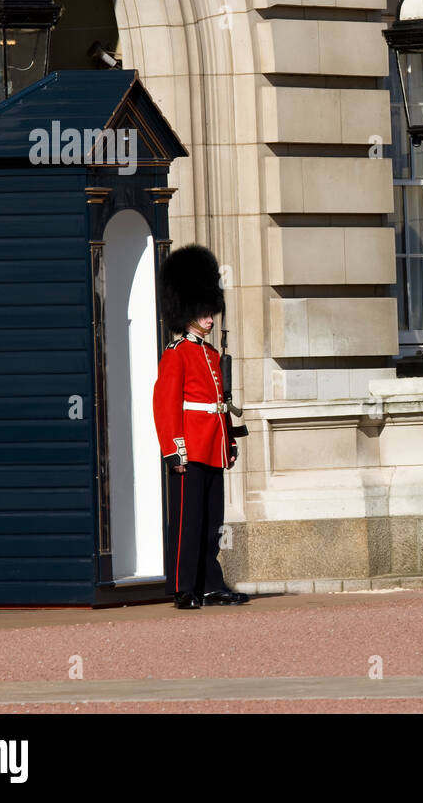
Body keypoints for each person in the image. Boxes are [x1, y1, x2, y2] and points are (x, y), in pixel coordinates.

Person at [152, 244, 250, 609]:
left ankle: (210, 583)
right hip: (190, 447)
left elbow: (219, 403)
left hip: (212, 445)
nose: (210, 319)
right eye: (203, 312)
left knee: (212, 524)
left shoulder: (210, 355)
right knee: (187, 523)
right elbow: (165, 406)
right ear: (187, 312)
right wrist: (174, 448)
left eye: (211, 312)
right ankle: (184, 587)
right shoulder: (175, 354)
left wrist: (229, 442)